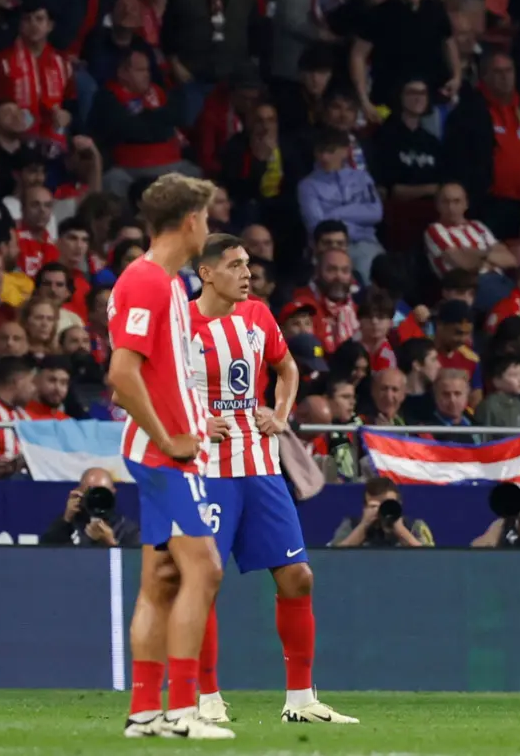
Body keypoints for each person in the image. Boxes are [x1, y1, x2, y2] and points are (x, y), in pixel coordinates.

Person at [188, 232, 357, 725]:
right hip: (207, 471)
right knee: (203, 582)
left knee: (298, 577)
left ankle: (301, 700)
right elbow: (146, 390)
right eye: (236, 265)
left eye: (249, 265)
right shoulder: (181, 324)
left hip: (261, 467)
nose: (247, 274)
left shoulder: (259, 315)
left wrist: (280, 412)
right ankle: (206, 699)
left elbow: (286, 369)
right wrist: (196, 423)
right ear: (207, 273)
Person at [106, 174, 231, 740]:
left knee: (159, 578)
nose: (208, 226)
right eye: (205, 217)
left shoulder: (166, 284)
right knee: (203, 570)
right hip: (163, 458)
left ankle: (143, 713)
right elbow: (121, 375)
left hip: (172, 449)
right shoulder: (149, 281)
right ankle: (183, 711)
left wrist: (195, 422)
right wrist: (169, 438)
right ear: (189, 222)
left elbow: (155, 376)